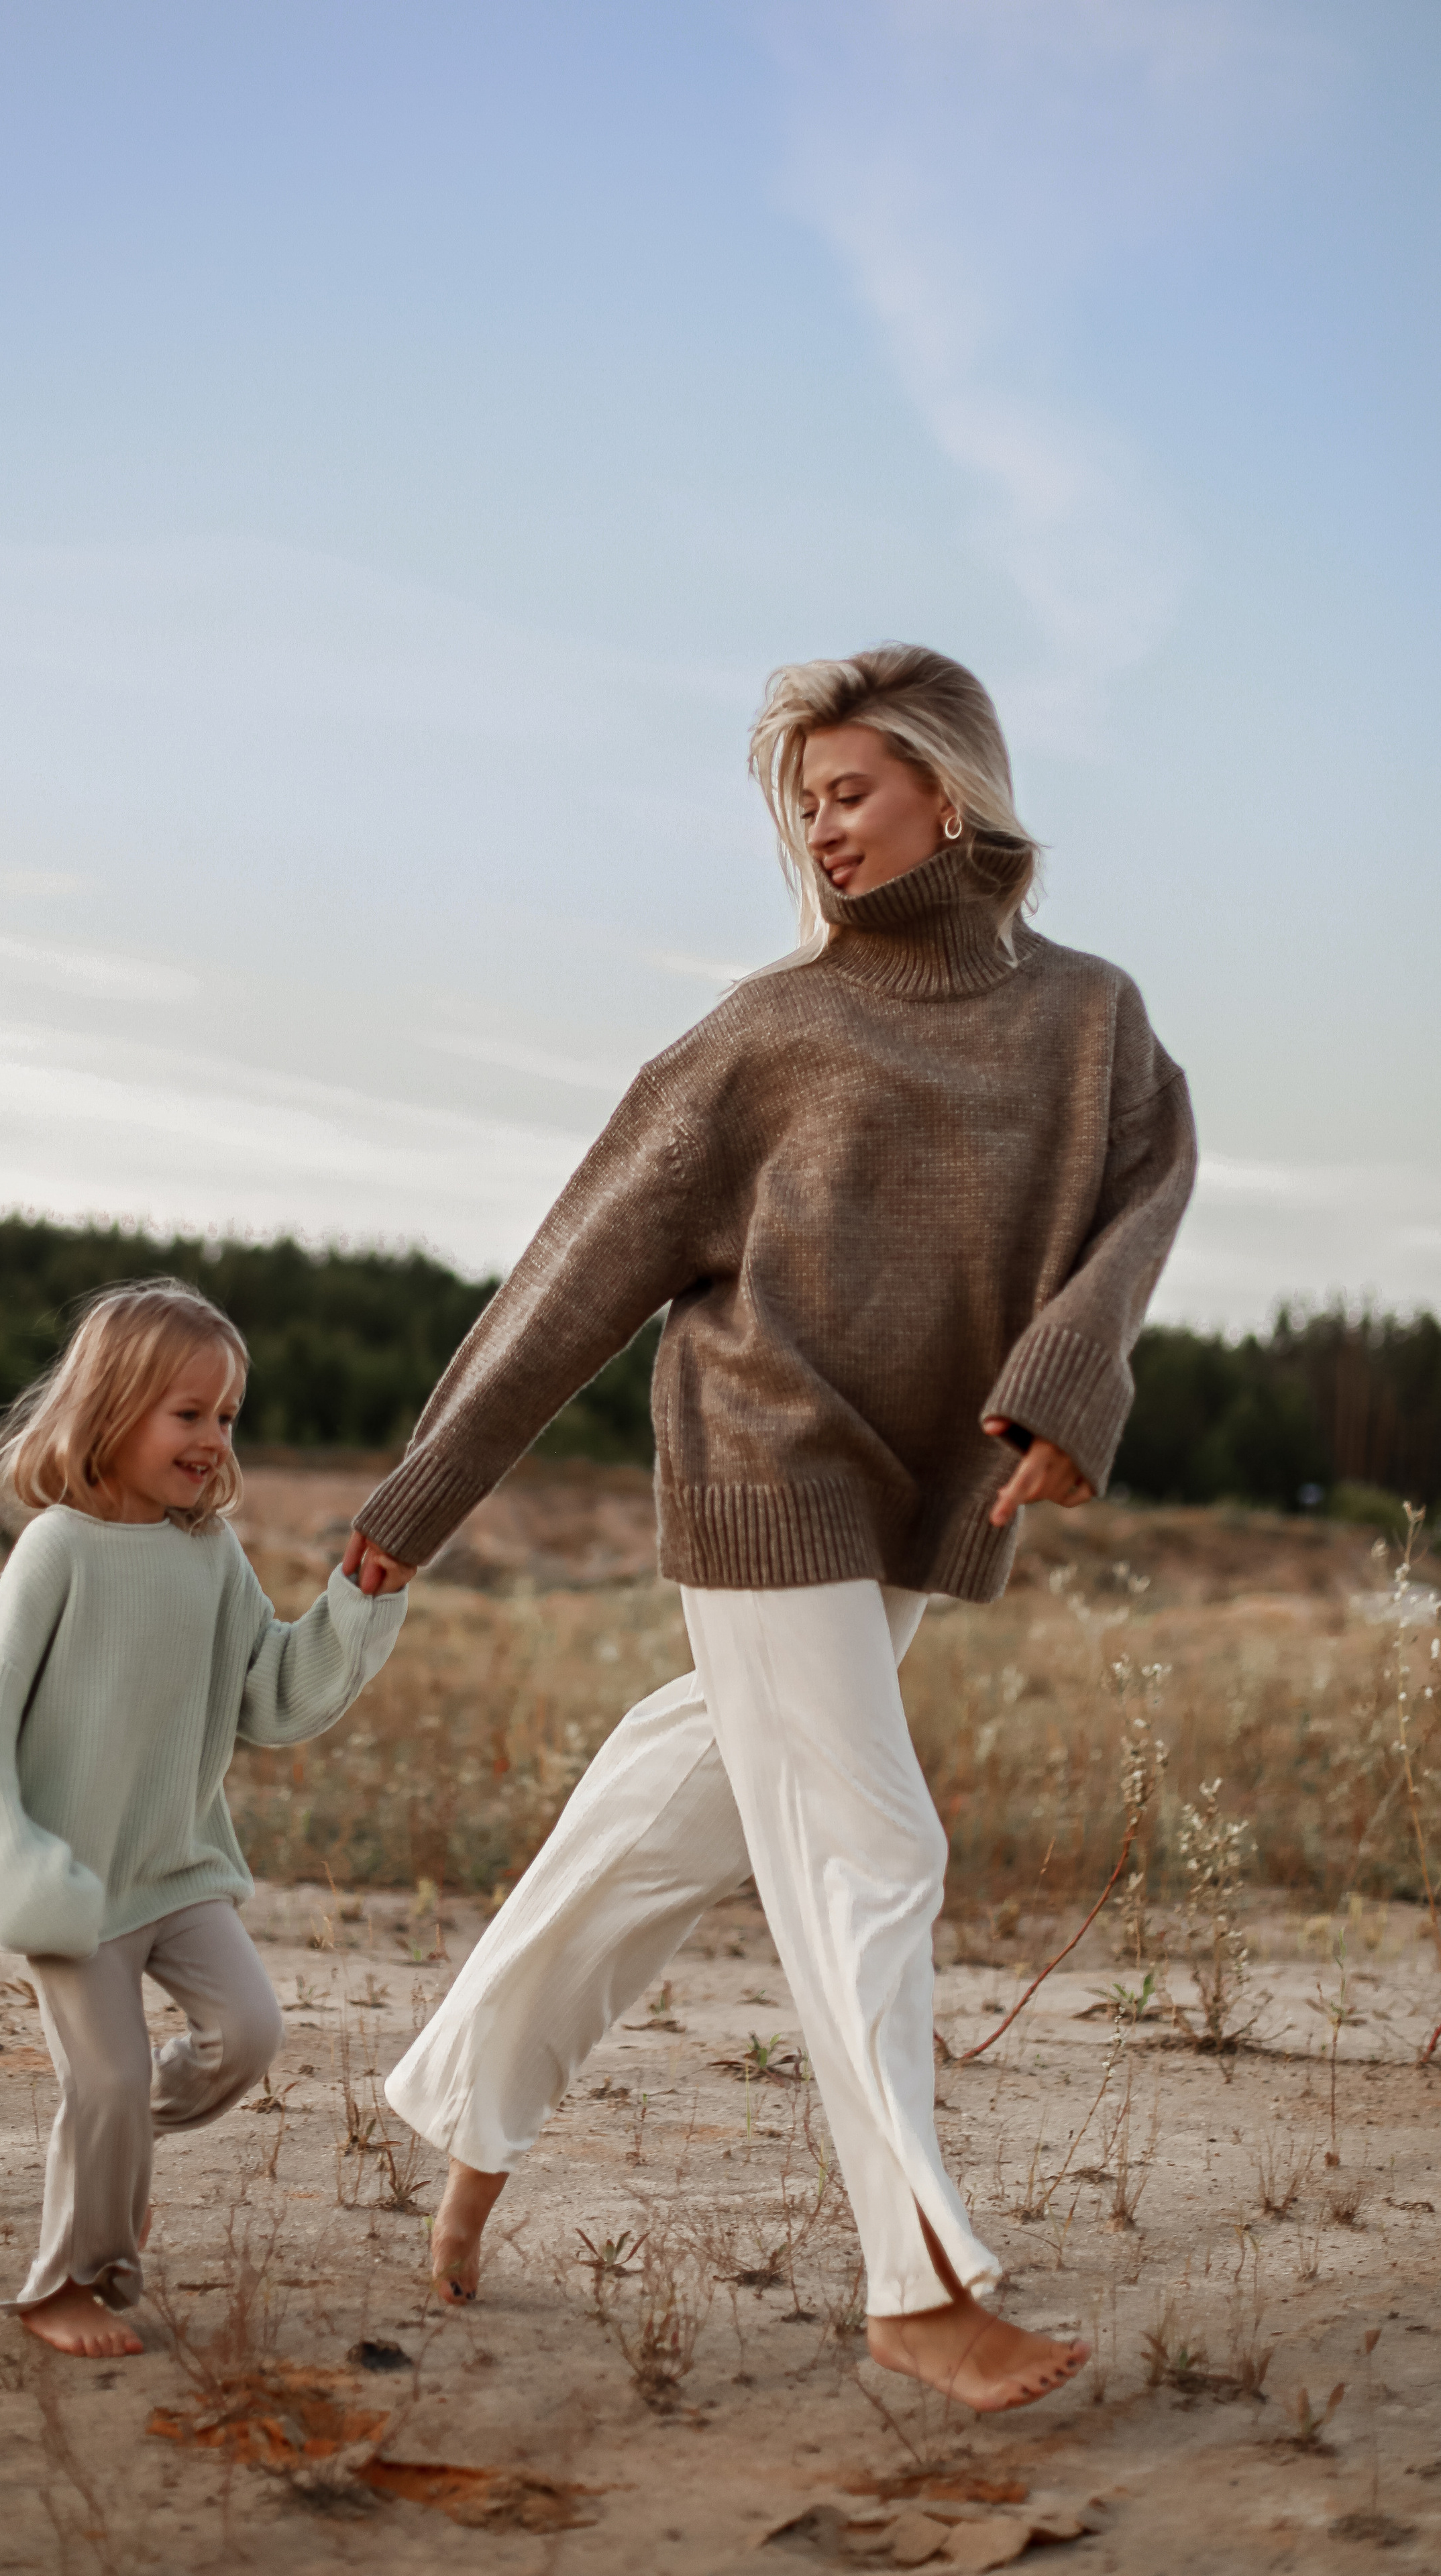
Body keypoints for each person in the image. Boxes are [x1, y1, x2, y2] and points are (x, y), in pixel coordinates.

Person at [343, 644, 1195, 2415]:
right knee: (872, 1847)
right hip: (764, 1460)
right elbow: (576, 1275)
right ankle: (919, 2283)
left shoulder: (1093, 1019)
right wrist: (419, 1503)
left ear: (950, 795)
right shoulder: (765, 1034)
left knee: (682, 1802)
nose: (820, 826)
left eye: (850, 789)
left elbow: (1146, 1188)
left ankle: (471, 2109)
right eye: (801, 802)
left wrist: (1065, 1386)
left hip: (913, 1481)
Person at [0, 1277, 407, 2358]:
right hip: (75, 1888)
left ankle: (116, 2155)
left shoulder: (212, 1556)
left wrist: (358, 1600)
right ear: (111, 1410)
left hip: (180, 1873)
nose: (211, 1439)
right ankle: (68, 2282)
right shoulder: (55, 1550)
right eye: (187, 1413)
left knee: (247, 2034)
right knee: (102, 2078)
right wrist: (17, 1868)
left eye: (227, 1416)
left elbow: (277, 1698)